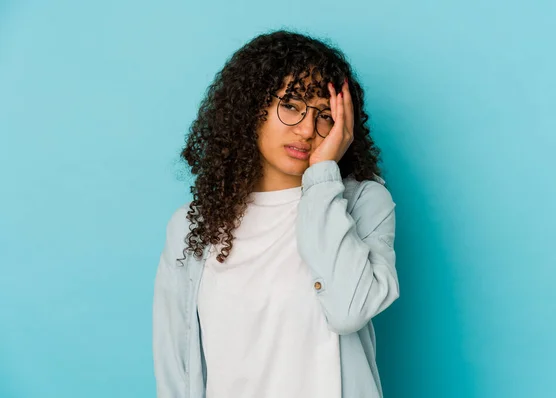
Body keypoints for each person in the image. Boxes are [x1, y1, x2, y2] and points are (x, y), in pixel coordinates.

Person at [152, 29, 400, 398]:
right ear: (253, 107)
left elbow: (349, 310)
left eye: (324, 115)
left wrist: (321, 177)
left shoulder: (363, 203)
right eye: (291, 105)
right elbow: (175, 361)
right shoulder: (194, 224)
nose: (306, 130)